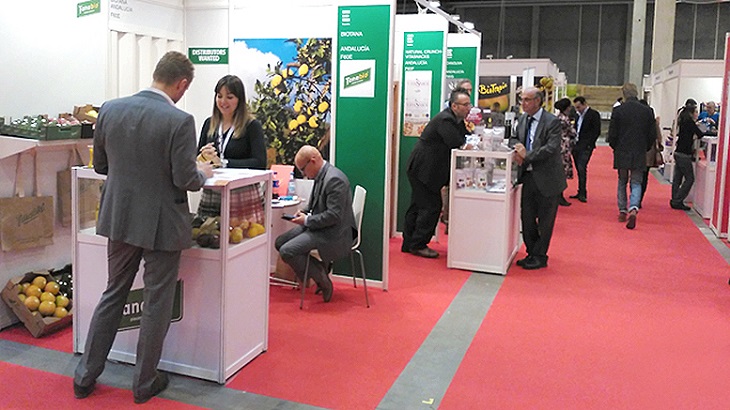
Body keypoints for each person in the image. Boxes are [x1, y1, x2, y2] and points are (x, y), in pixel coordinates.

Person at [73, 51, 214, 404]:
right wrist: (203, 172)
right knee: (156, 302)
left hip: (119, 219)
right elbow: (186, 179)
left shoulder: (110, 110)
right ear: (182, 84)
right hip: (163, 225)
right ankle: (144, 382)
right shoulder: (180, 120)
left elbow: (101, 166)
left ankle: (85, 375)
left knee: (113, 293)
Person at [275, 146, 357, 302]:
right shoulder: (322, 175)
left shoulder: (334, 180)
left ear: (312, 161)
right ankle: (318, 269)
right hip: (319, 227)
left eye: (303, 169)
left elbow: (333, 216)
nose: (304, 174)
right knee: (280, 242)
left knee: (287, 251)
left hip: (334, 233)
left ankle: (320, 276)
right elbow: (315, 204)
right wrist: (304, 212)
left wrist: (306, 220)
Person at [403, 88, 471, 258]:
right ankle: (418, 244)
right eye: (465, 105)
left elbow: (465, 136)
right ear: (454, 106)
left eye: (469, 104)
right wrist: (466, 145)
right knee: (430, 206)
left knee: (418, 205)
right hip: (424, 169)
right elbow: (456, 142)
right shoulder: (445, 120)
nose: (468, 108)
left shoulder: (456, 120)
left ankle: (409, 242)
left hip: (426, 169)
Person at [509, 86, 566, 270]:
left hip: (548, 178)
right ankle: (531, 252)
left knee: (545, 220)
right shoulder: (522, 119)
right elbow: (514, 138)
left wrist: (527, 155)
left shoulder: (552, 121)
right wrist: (517, 149)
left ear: (537, 101)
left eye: (527, 99)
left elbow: (551, 148)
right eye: (522, 99)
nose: (523, 103)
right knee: (527, 218)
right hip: (527, 176)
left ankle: (540, 256)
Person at [197, 75, 267, 220]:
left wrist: (224, 163)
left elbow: (260, 163)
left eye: (229, 97)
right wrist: (203, 156)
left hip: (242, 192)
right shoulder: (209, 124)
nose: (223, 102)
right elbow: (196, 157)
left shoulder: (251, 125)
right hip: (213, 192)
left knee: (243, 232)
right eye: (219, 96)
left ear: (239, 99)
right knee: (208, 232)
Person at [607, 83, 655, 229]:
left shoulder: (618, 110)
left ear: (624, 94)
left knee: (622, 180)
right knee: (636, 182)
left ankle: (622, 210)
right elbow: (651, 133)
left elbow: (612, 133)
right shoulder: (647, 111)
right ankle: (633, 207)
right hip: (639, 150)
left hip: (622, 150)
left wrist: (615, 147)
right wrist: (645, 147)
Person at [670, 103, 704, 210]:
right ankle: (677, 200)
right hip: (684, 155)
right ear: (692, 113)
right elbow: (700, 134)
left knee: (677, 178)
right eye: (696, 112)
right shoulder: (690, 123)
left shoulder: (683, 121)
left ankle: (674, 198)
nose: (697, 114)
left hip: (678, 152)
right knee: (690, 179)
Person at [570, 96, 602, 202]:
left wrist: (590, 143)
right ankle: (580, 190)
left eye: (579, 107)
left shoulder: (593, 114)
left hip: (586, 146)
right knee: (579, 169)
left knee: (582, 167)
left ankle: (583, 193)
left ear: (584, 104)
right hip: (576, 145)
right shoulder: (576, 115)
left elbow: (596, 131)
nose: (577, 109)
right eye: (576, 107)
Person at [639, 100, 663, 208]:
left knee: (636, 176)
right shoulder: (653, 123)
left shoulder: (637, 122)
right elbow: (659, 138)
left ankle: (635, 196)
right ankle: (639, 198)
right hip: (649, 152)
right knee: (644, 177)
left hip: (638, 152)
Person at [554, 98, 577, 207]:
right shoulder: (564, 119)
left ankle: (558, 195)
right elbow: (572, 132)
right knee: (562, 172)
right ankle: (559, 196)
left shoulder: (558, 118)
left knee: (560, 172)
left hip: (559, 146)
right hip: (564, 147)